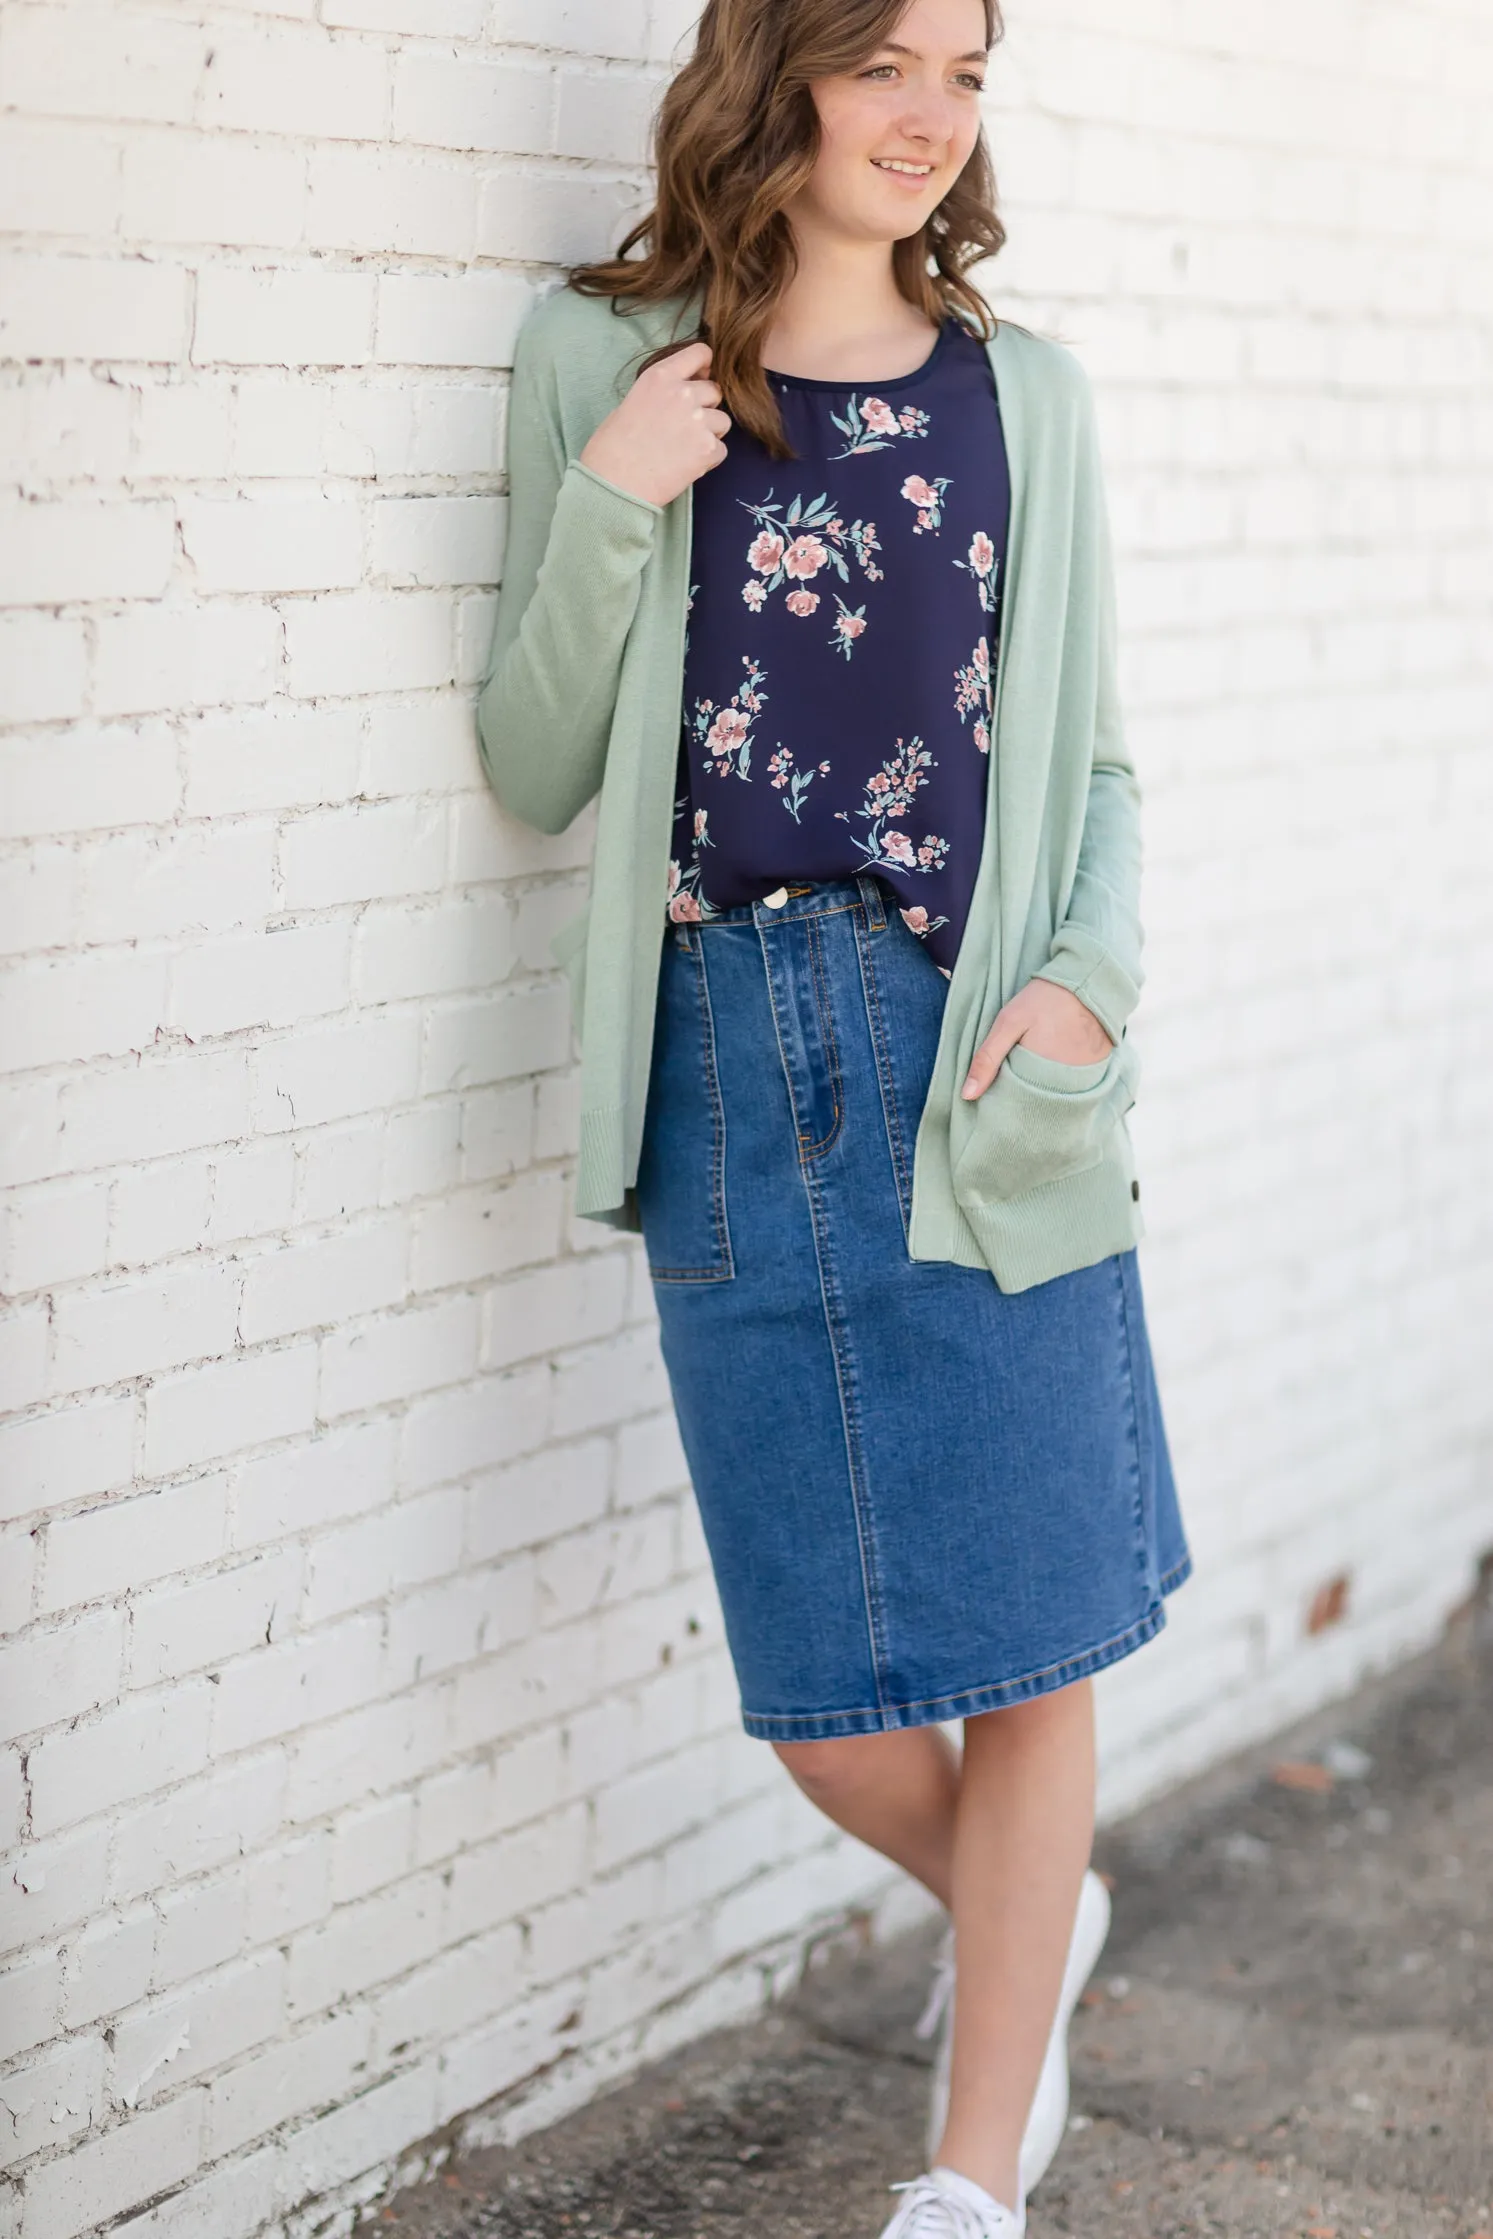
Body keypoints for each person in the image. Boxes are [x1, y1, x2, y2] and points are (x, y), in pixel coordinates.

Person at [477, 0, 1191, 2230]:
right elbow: (532, 757)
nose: (924, 117)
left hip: (971, 1057)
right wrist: (616, 501)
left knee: (1031, 1633)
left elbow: (1084, 771)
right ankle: (1023, 1925)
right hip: (725, 1058)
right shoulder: (609, 367)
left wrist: (1080, 989)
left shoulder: (1023, 402)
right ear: (765, 73)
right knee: (822, 1689)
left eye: (962, 74)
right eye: (880, 59)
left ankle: (968, 2179)